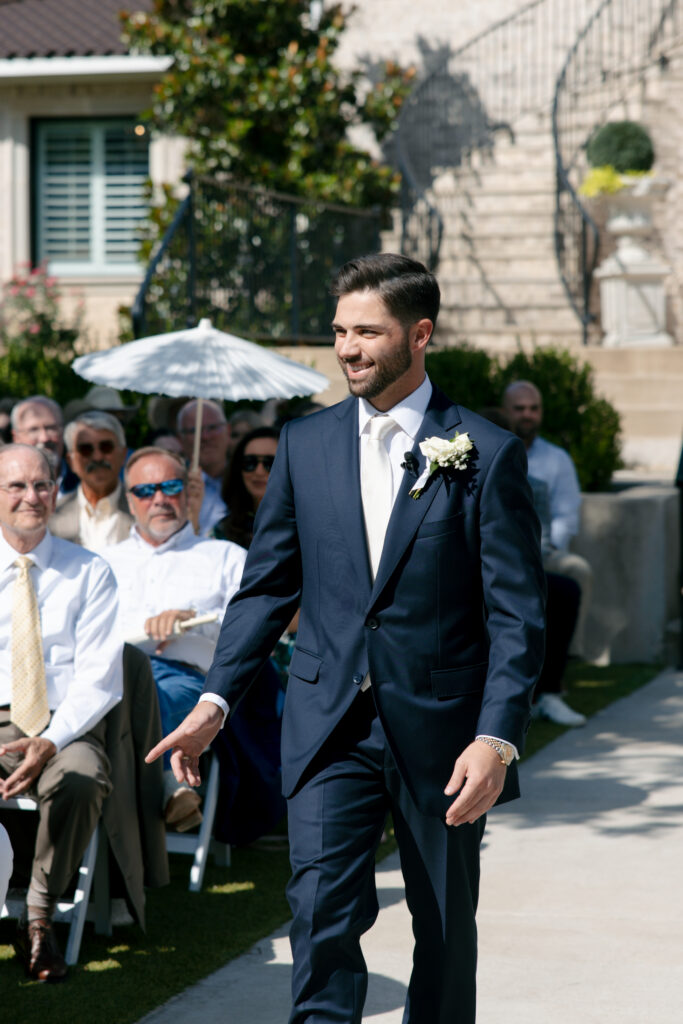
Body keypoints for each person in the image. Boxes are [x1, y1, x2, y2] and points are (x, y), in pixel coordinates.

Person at [148, 253, 546, 1023]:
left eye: (367, 331)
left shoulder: (486, 454)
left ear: (419, 334)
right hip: (326, 721)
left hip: (443, 737)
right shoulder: (304, 444)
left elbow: (516, 617)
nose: (347, 348)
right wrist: (215, 700)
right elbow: (267, 587)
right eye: (339, 330)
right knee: (320, 917)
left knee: (441, 931)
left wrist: (495, 739)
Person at [0, 444, 122, 981]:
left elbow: (100, 679)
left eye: (43, 484)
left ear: (57, 490)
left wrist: (51, 739)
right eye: (16, 486)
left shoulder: (90, 571)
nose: (32, 496)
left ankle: (39, 918)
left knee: (82, 775)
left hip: (62, 726)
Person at [103, 447, 246, 832]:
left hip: (188, 681)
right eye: (146, 490)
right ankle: (168, 787)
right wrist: (142, 626)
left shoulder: (225, 557)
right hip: (109, 675)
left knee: (151, 691)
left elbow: (250, 630)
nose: (160, 499)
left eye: (170, 486)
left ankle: (164, 787)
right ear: (129, 500)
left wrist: (191, 623)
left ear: (187, 492)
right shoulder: (102, 563)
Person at [502, 379, 593, 663]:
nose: (527, 414)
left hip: (542, 551)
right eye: (519, 408)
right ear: (505, 411)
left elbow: (567, 515)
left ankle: (565, 659)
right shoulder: (490, 450)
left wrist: (546, 550)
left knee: (578, 570)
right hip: (498, 550)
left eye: (534, 408)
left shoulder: (557, 459)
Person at [49, 410, 132, 553]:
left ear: (123, 454)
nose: (98, 457)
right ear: (71, 461)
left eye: (106, 447)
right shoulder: (52, 517)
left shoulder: (143, 510)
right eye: (86, 450)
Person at [213, 426, 280, 547]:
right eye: (250, 462)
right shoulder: (222, 531)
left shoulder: (305, 527)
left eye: (270, 463)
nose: (259, 471)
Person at [176, 399, 229, 535]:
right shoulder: (173, 487)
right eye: (194, 430)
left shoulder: (250, 478)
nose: (205, 436)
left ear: (228, 430)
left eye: (212, 427)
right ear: (180, 439)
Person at [10, 395, 78, 499]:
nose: (44, 438)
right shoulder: (6, 488)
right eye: (34, 430)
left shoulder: (84, 482)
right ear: (16, 437)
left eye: (51, 428)